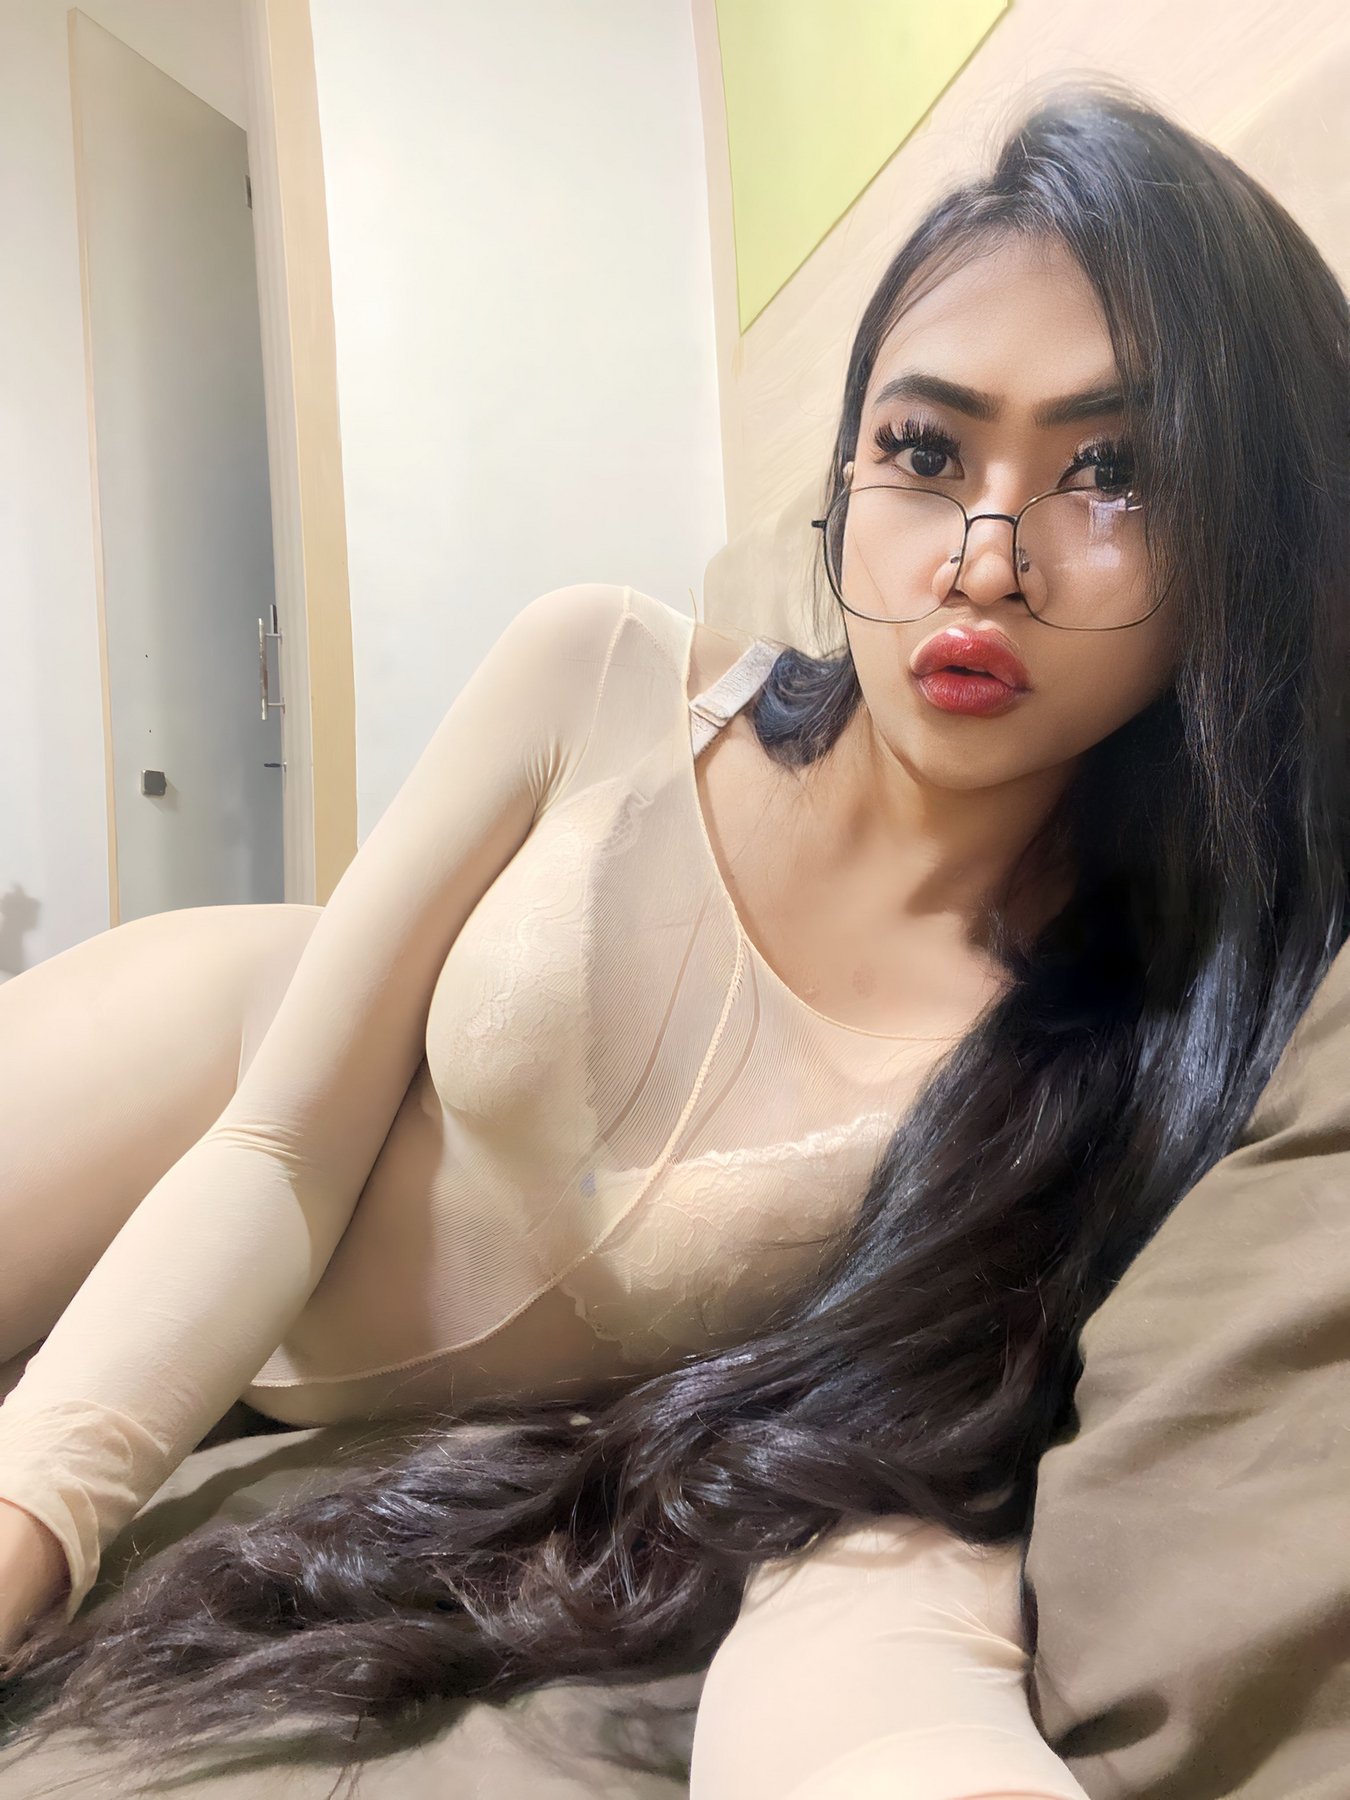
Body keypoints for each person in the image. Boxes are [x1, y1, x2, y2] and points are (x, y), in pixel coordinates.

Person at [1, 74, 1346, 1796]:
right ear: (843, 478)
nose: (982, 560)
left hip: (291, 1383)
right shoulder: (599, 673)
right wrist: (37, 1512)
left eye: (1112, 474)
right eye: (923, 452)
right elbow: (279, 1150)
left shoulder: (1123, 1059)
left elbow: (887, 1558)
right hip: (199, 1081)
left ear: (1241, 546)